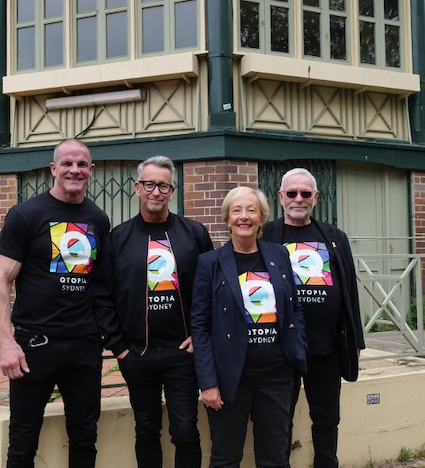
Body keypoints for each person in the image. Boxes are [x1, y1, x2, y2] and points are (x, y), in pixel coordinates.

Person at [0, 138, 112, 468]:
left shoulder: (98, 220)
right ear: (54, 169)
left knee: (85, 436)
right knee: (24, 438)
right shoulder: (26, 214)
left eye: (82, 164)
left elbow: (102, 283)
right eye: (67, 164)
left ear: (91, 171)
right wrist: (6, 342)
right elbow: (0, 279)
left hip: (84, 346)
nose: (75, 170)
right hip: (34, 346)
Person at [95, 155, 214, 468]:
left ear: (172, 191)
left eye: (163, 185)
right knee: (146, 429)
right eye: (149, 184)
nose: (156, 191)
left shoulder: (195, 234)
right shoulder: (118, 239)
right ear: (137, 187)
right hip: (137, 354)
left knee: (186, 431)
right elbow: (103, 295)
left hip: (182, 354)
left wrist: (200, 336)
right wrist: (119, 347)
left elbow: (212, 291)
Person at [190, 186, 307, 468]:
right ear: (228, 218)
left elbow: (295, 307)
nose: (244, 217)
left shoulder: (279, 255)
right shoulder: (210, 263)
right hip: (231, 379)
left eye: (251, 210)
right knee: (226, 458)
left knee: (275, 457)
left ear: (261, 218)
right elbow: (200, 324)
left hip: (277, 376)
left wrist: (298, 348)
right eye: (237, 211)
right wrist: (208, 383)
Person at [262, 168, 366, 468]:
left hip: (327, 348)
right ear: (281, 196)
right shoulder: (266, 235)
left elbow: (349, 288)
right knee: (279, 421)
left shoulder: (334, 237)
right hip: (281, 349)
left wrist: (356, 337)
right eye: (292, 193)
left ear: (316, 197)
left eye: (305, 193)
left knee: (327, 418)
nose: (299, 198)